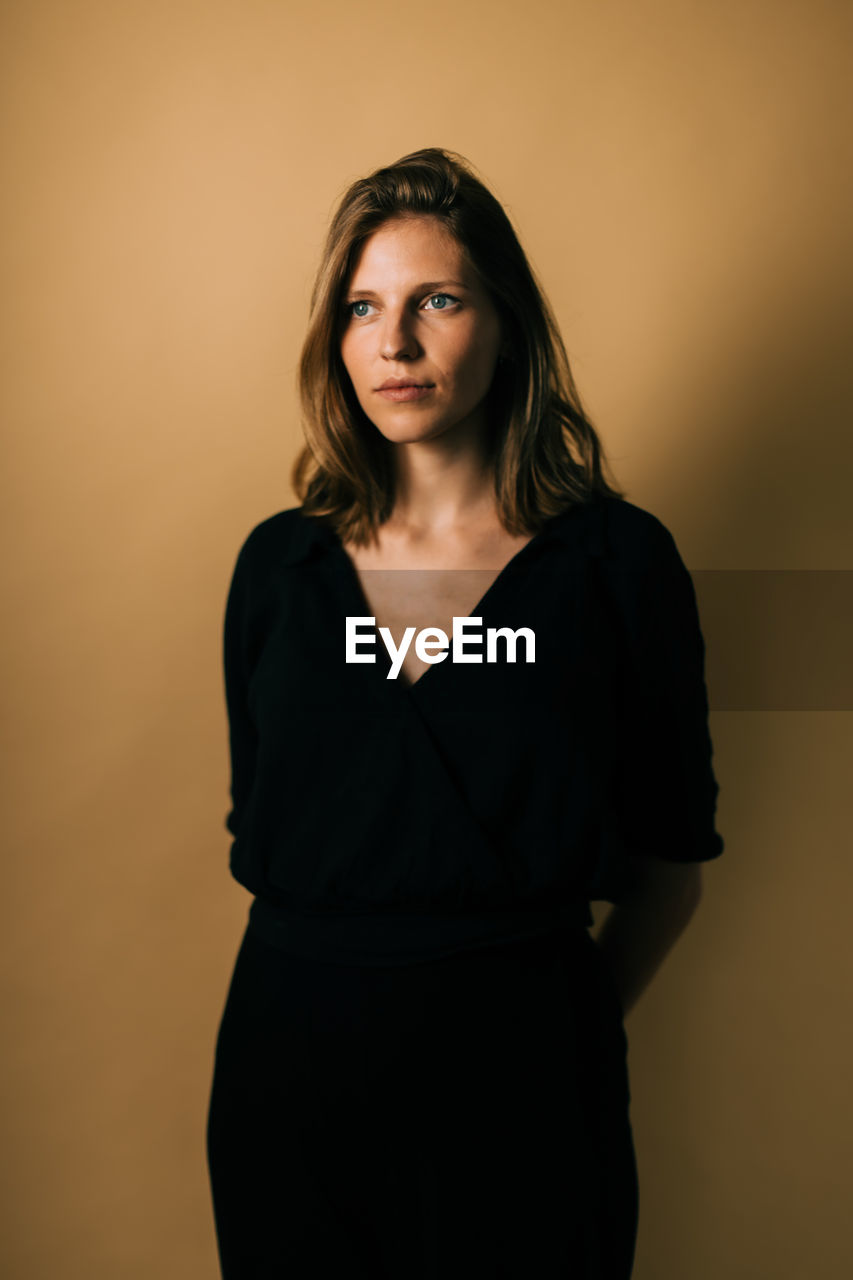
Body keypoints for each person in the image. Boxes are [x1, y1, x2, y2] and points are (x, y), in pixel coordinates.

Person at [205, 146, 724, 1278]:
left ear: (506, 321)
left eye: (435, 299)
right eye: (362, 307)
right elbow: (268, 822)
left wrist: (556, 1024)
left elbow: (669, 862)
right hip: (287, 1084)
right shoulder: (277, 570)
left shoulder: (615, 566)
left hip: (527, 1083)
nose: (392, 344)